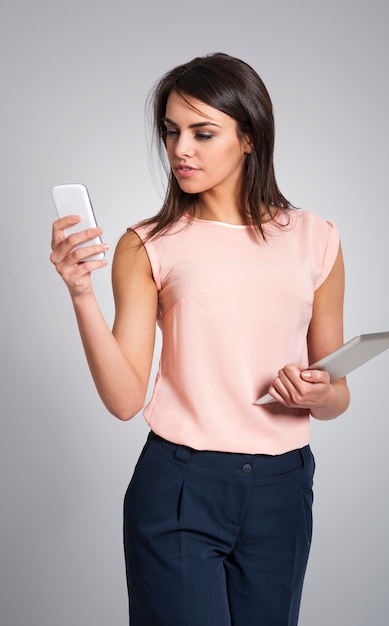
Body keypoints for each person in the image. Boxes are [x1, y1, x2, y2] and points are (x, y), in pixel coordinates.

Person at [50, 52, 350, 626]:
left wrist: (319, 394)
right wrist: (80, 294)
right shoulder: (149, 244)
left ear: (250, 138)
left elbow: (337, 393)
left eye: (202, 132)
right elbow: (123, 400)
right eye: (171, 132)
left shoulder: (317, 238)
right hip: (181, 483)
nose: (180, 149)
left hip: (284, 486)